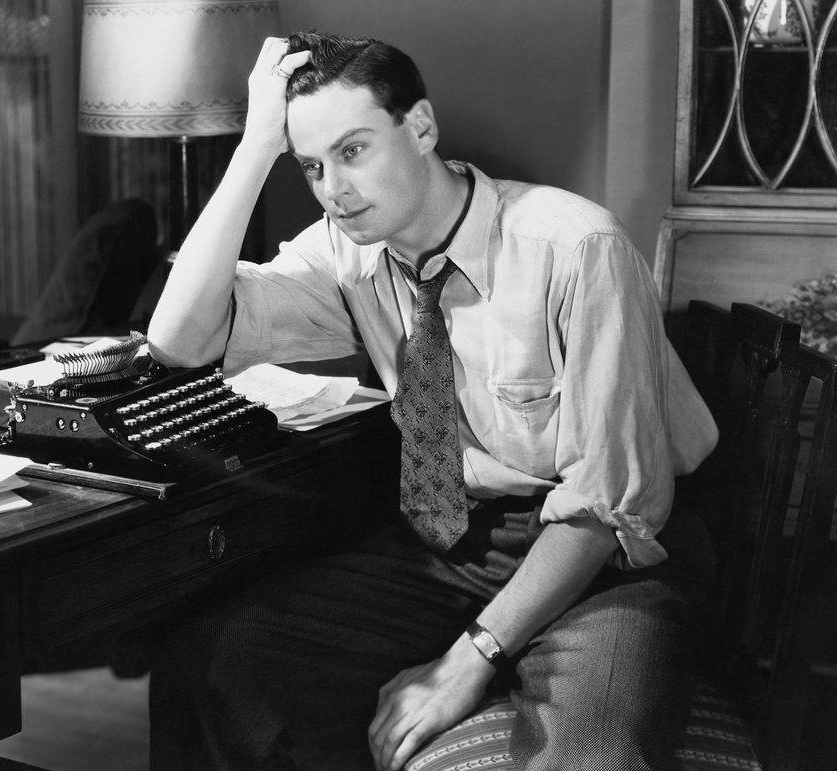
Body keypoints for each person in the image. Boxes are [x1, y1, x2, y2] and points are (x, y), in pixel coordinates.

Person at [146, 31, 719, 771]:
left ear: (419, 127)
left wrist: (468, 659)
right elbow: (181, 340)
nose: (333, 189)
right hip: (458, 547)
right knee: (210, 666)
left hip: (609, 558)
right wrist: (256, 146)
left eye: (353, 150)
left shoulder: (577, 247)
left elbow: (606, 504)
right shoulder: (347, 251)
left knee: (591, 756)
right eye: (311, 165)